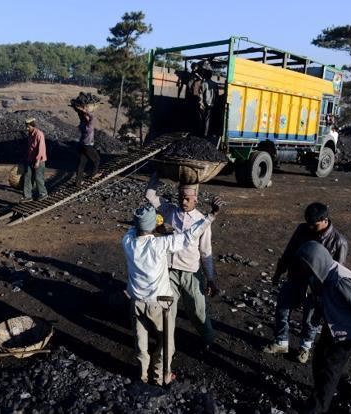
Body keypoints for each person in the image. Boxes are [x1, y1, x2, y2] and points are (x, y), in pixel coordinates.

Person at [122, 197, 223, 385]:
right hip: (157, 303)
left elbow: (134, 229)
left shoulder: (128, 242)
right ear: (153, 227)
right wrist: (210, 216)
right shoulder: (159, 245)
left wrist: (151, 228)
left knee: (141, 341)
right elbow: (188, 236)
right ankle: (162, 376)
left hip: (136, 301)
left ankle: (142, 374)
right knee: (166, 342)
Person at [295, 241, 351, 414]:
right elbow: (320, 299)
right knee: (319, 361)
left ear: (314, 262)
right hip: (333, 327)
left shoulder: (340, 280)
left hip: (348, 332)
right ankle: (329, 390)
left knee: (330, 369)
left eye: (304, 264)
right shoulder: (320, 275)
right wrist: (316, 318)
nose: (302, 268)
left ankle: (318, 408)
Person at [263, 202, 348, 363]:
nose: (310, 227)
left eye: (313, 225)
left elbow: (338, 272)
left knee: (311, 319)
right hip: (295, 277)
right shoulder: (302, 229)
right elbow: (288, 252)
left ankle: (305, 348)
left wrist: (330, 296)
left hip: (317, 287)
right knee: (282, 308)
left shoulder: (339, 242)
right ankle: (281, 342)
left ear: (325, 220)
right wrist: (278, 273)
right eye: (308, 223)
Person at [145, 173, 219, 350]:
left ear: (196, 199)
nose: (183, 202)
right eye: (180, 198)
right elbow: (150, 195)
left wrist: (210, 279)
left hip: (191, 273)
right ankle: (166, 346)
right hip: (168, 272)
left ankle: (209, 340)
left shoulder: (202, 221)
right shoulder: (169, 211)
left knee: (197, 312)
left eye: (187, 199)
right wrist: (157, 173)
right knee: (167, 311)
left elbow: (206, 251)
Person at [73, 103, 101, 186]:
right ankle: (94, 174)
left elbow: (81, 117)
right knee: (97, 159)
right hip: (87, 145)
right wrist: (86, 111)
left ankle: (78, 182)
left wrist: (80, 111)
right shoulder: (89, 125)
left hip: (81, 145)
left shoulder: (82, 124)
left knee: (81, 164)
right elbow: (92, 117)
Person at [22, 118, 48, 201]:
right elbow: (30, 148)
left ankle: (43, 194)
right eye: (26, 126)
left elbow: (41, 149)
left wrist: (37, 161)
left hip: (39, 160)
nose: (27, 128)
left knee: (38, 177)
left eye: (28, 127)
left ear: (32, 126)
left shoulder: (39, 134)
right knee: (27, 177)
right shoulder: (30, 135)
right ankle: (27, 196)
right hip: (30, 159)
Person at [198, 62, 217, 137]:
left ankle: (202, 134)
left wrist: (201, 103)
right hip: (212, 104)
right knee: (208, 120)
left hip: (204, 104)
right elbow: (217, 95)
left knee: (202, 119)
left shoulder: (203, 83)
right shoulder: (215, 84)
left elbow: (200, 95)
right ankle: (206, 134)